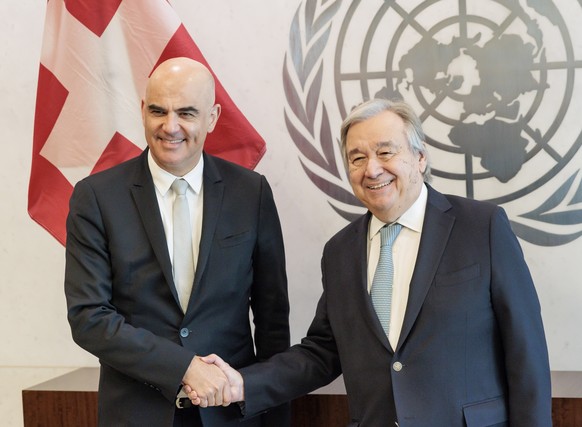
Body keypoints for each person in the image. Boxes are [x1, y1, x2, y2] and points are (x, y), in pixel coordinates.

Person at [190, 98, 552, 426]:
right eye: (357, 157)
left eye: (386, 152)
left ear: (420, 157)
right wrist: (241, 383)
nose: (372, 169)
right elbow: (322, 353)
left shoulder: (482, 227)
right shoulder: (340, 252)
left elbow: (526, 352)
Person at [64, 57, 290, 427]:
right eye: (158, 111)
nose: (170, 127)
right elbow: (89, 318)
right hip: (137, 414)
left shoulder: (251, 193)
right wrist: (183, 367)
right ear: (142, 111)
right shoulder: (97, 197)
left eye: (186, 113)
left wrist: (275, 417)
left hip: (233, 416)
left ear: (213, 117)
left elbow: (272, 320)